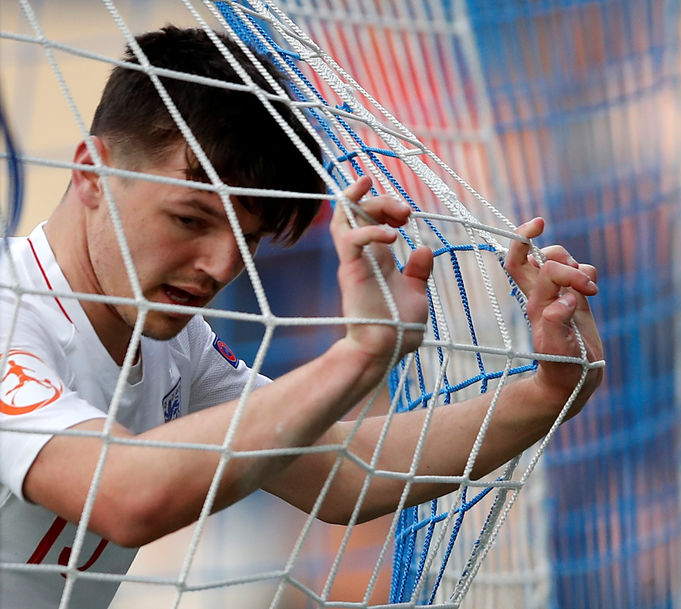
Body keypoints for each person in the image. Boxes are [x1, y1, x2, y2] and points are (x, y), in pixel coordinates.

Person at [0, 26, 603, 608]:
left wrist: (549, 390)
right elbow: (122, 495)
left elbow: (341, 475)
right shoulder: (10, 312)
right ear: (90, 172)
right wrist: (362, 353)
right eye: (190, 219)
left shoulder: (175, 344)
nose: (218, 266)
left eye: (249, 239)